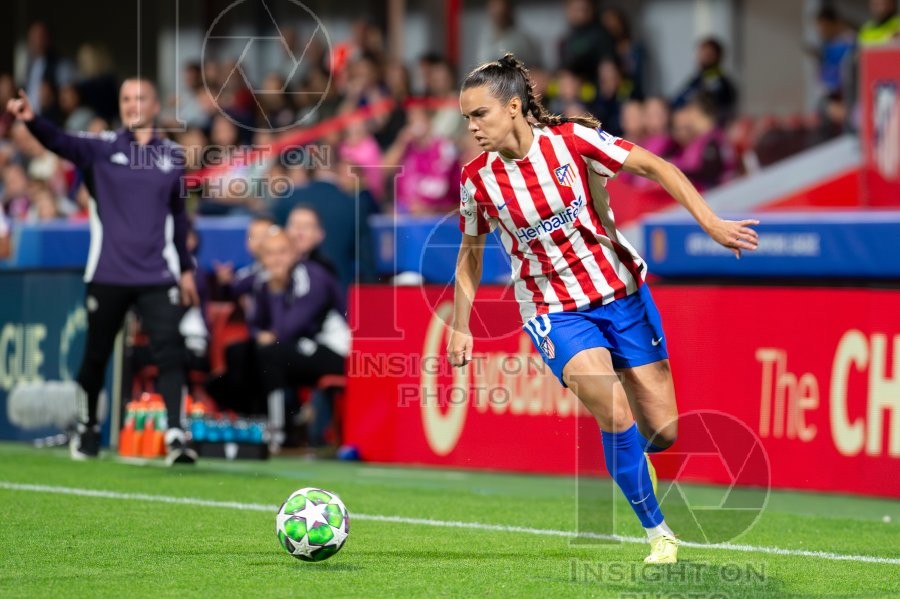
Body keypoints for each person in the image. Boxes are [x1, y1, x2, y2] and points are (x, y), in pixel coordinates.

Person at [450, 54, 759, 564]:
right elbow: (470, 256)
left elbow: (656, 166)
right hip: (553, 310)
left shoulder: (573, 141)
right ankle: (658, 532)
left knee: (663, 431)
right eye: (467, 118)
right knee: (613, 411)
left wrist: (711, 222)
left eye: (479, 114)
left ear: (513, 107)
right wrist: (460, 325)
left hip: (621, 294)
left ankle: (637, 462)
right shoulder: (477, 180)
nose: (472, 127)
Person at [6, 79, 200, 465]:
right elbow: (60, 141)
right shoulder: (101, 147)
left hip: (157, 274)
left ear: (156, 105)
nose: (132, 104)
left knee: (170, 352)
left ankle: (177, 434)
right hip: (109, 272)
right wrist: (32, 120)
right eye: (126, 98)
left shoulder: (173, 157)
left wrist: (186, 269)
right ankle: (88, 427)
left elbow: (178, 218)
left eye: (140, 98)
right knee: (95, 357)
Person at [251, 228, 349, 451]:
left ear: (294, 253)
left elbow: (287, 329)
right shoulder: (263, 279)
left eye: (282, 252)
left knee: (271, 354)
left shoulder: (312, 277)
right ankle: (255, 426)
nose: (276, 259)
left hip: (336, 350)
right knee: (242, 352)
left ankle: (278, 431)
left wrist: (276, 291)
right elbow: (255, 324)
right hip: (303, 346)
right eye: (270, 253)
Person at [671, 37, 738, 124]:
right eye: (701, 53)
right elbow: (678, 100)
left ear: (718, 56)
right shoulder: (697, 79)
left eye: (708, 54)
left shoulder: (722, 84)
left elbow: (716, 109)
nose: (703, 57)